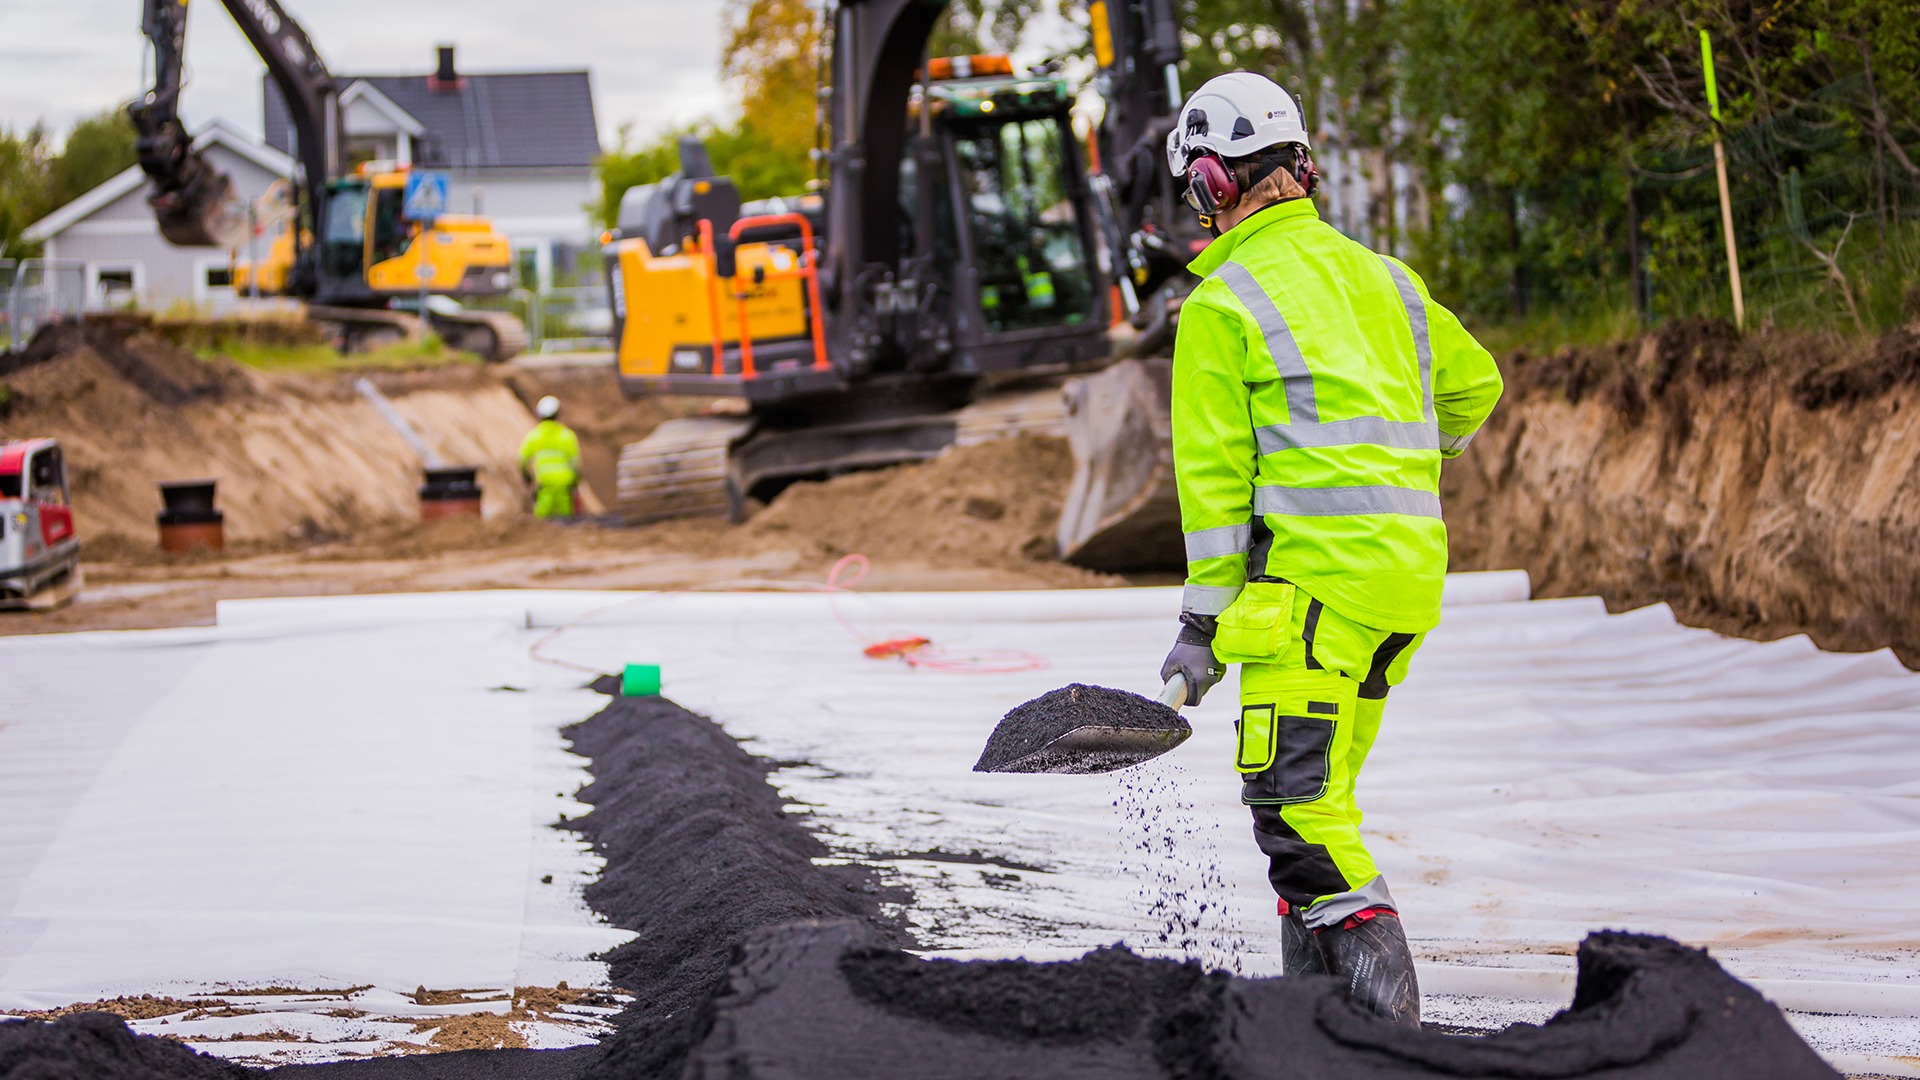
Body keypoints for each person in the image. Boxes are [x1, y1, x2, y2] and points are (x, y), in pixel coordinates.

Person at [1156, 72, 1504, 1026]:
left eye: (1196, 191)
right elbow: (1475, 387)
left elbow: (1215, 492)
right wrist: (1398, 460)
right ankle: (1311, 1033)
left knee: (1293, 812)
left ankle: (1388, 1034)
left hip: (1312, 601)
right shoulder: (1390, 280)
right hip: (1402, 591)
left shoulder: (1222, 307)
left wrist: (1200, 625)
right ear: (1301, 167)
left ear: (1215, 183)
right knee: (1325, 797)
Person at [518, 396, 582, 519]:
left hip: (545, 482)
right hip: (564, 483)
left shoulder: (535, 435)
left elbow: (522, 458)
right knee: (566, 520)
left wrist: (526, 476)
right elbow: (575, 463)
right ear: (557, 413)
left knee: (542, 520)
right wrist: (575, 480)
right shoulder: (567, 435)